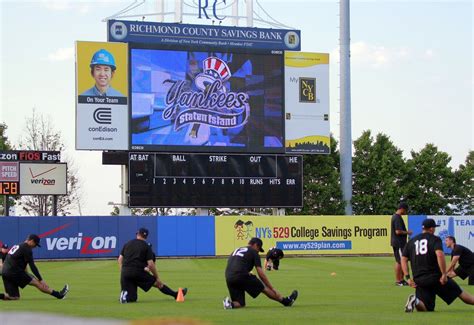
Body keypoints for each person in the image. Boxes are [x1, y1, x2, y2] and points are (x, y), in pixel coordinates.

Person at [401, 219, 474, 312]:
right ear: (431, 229)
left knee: (426, 308)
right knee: (461, 293)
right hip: (436, 278)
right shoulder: (435, 239)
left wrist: (407, 278)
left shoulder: (411, 241)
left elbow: (403, 259)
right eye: (435, 227)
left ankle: (415, 301)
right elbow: (440, 254)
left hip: (419, 279)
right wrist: (444, 274)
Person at [223, 237, 298, 309]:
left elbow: (235, 263)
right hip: (241, 275)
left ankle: (230, 304)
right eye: (259, 249)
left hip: (229, 277)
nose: (258, 251)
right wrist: (271, 288)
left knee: (240, 303)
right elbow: (260, 273)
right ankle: (286, 301)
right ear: (255, 245)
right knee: (263, 288)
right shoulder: (254, 252)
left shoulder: (236, 250)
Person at [118, 228, 187, 303]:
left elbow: (120, 259)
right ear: (146, 237)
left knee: (133, 298)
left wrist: (123, 272)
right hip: (138, 272)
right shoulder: (146, 246)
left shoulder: (127, 244)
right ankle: (176, 295)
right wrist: (157, 277)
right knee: (158, 284)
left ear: (137, 234)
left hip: (125, 272)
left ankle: (124, 296)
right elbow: (151, 264)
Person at [1, 234, 69, 300]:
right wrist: (41, 279)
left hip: (5, 272)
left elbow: (15, 261)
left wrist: (26, 273)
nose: (35, 246)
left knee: (14, 297)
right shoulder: (27, 249)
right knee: (37, 283)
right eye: (35, 244)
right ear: (31, 241)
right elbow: (32, 266)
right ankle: (59, 295)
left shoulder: (19, 245)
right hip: (15, 272)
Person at [390, 202, 412, 286]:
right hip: (398, 243)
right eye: (406, 210)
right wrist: (407, 232)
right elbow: (398, 231)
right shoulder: (397, 217)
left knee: (401, 261)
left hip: (399, 243)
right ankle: (398, 281)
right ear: (402, 209)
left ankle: (401, 280)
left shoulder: (396, 217)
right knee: (399, 261)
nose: (406, 212)